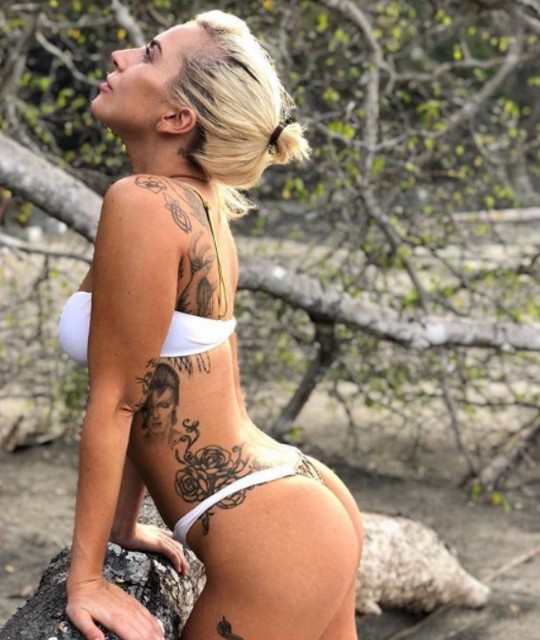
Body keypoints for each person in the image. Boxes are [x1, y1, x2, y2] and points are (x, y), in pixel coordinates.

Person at [58, 9, 363, 640]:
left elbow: (117, 401)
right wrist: (123, 527)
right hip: (294, 500)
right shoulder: (198, 204)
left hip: (271, 528)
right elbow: (154, 377)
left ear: (177, 117)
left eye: (147, 54)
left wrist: (87, 580)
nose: (119, 57)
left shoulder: (142, 202)